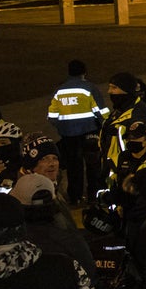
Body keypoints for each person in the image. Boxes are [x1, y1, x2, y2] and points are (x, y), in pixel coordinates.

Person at [45, 58, 106, 204]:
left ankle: (75, 196)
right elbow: (101, 111)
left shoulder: (59, 90)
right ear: (84, 72)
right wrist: (104, 125)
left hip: (68, 135)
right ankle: (94, 195)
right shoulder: (89, 88)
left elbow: (52, 116)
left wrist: (62, 127)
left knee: (73, 166)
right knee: (93, 165)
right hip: (89, 132)